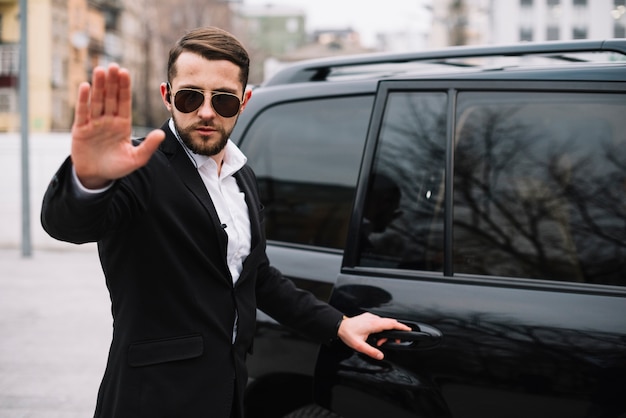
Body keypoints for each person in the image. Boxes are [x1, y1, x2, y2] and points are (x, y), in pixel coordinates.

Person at [41, 27, 410, 418]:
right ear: (167, 97)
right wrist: (91, 179)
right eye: (189, 96)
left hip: (226, 394)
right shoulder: (139, 167)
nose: (205, 111)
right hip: (150, 400)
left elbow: (258, 278)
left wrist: (338, 324)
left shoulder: (241, 176)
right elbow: (70, 225)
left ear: (244, 101)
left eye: (223, 100)